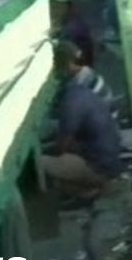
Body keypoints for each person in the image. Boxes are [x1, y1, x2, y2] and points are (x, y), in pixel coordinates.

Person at [41, 41, 124, 204]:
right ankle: (90, 188)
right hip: (111, 155)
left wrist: (47, 148)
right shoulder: (86, 85)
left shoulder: (72, 99)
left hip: (99, 167)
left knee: (40, 165)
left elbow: (62, 144)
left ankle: (90, 188)